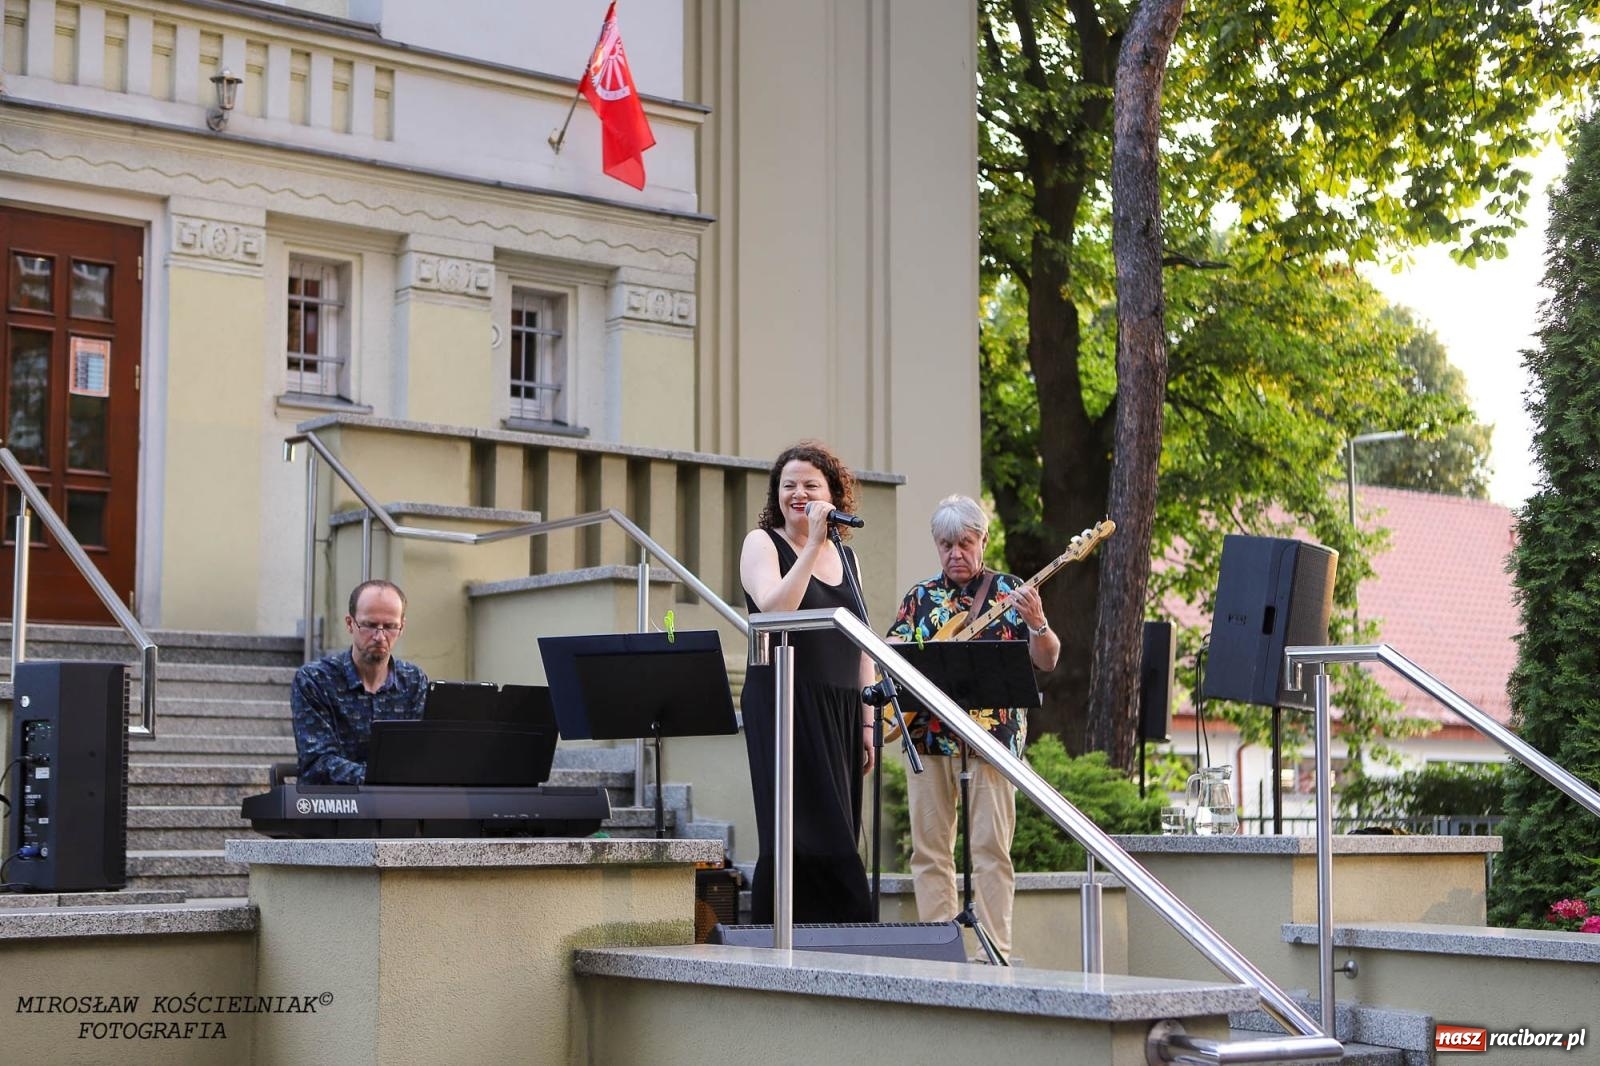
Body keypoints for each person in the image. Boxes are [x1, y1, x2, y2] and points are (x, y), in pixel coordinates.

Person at [886, 494, 1060, 960]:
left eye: (965, 542)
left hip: (992, 740)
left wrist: (1038, 623)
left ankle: (993, 952)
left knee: (990, 849)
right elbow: (888, 659)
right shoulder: (918, 599)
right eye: (946, 545)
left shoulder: (1012, 589)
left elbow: (1047, 659)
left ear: (983, 540)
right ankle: (941, 948)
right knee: (929, 851)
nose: (955, 553)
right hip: (926, 737)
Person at [740, 441, 875, 924]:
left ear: (833, 495)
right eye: (788, 485)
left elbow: (862, 645)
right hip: (784, 698)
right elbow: (777, 610)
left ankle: (836, 932)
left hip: (839, 707)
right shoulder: (763, 543)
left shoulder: (847, 558)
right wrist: (813, 542)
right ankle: (787, 928)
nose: (798, 493)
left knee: (841, 824)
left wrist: (867, 723)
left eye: (810, 485)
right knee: (796, 829)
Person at [291, 579, 430, 785]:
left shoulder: (414, 680)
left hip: (397, 805)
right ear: (350, 624)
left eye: (390, 626)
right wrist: (384, 777)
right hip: (333, 806)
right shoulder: (315, 680)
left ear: (402, 628)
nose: (380, 636)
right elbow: (317, 763)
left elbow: (421, 752)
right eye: (370, 625)